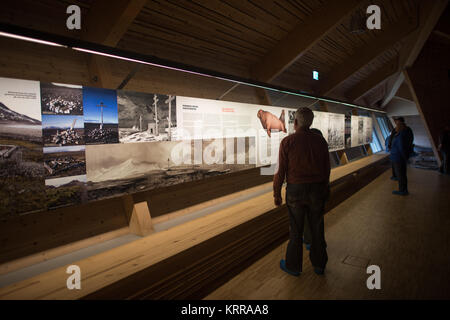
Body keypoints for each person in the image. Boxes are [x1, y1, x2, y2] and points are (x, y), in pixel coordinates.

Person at [273, 107, 330, 276]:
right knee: (317, 227)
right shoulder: (320, 141)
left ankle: (293, 266)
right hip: (317, 190)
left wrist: (276, 194)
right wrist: (325, 188)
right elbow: (327, 169)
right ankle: (319, 265)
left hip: (295, 191)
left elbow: (280, 171)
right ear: (311, 122)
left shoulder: (288, 142)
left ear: (295, 122)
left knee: (296, 230)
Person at [389, 117, 414, 196]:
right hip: (398, 157)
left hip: (398, 158)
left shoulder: (399, 136)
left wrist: (405, 158)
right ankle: (403, 189)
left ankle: (402, 190)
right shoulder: (402, 134)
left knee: (401, 175)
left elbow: (401, 148)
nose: (395, 127)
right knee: (401, 174)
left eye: (397, 126)